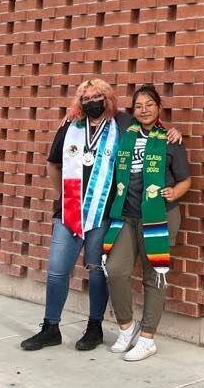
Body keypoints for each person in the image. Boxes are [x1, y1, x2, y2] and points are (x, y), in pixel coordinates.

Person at [20, 78, 180, 352]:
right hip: (69, 211)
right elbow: (53, 163)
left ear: (108, 100)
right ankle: (50, 327)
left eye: (98, 97)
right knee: (57, 271)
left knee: (97, 271)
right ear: (79, 102)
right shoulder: (70, 126)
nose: (92, 102)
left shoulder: (120, 124)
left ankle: (94, 328)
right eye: (86, 97)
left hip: (102, 213)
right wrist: (61, 197)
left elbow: (149, 124)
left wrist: (172, 132)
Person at [103, 85, 191, 361]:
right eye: (139, 105)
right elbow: (98, 108)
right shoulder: (125, 129)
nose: (144, 110)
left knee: (155, 276)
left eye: (149, 104)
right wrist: (70, 117)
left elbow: (185, 179)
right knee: (115, 270)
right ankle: (127, 328)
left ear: (159, 107)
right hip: (126, 216)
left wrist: (175, 192)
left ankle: (147, 338)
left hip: (159, 216)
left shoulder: (170, 140)